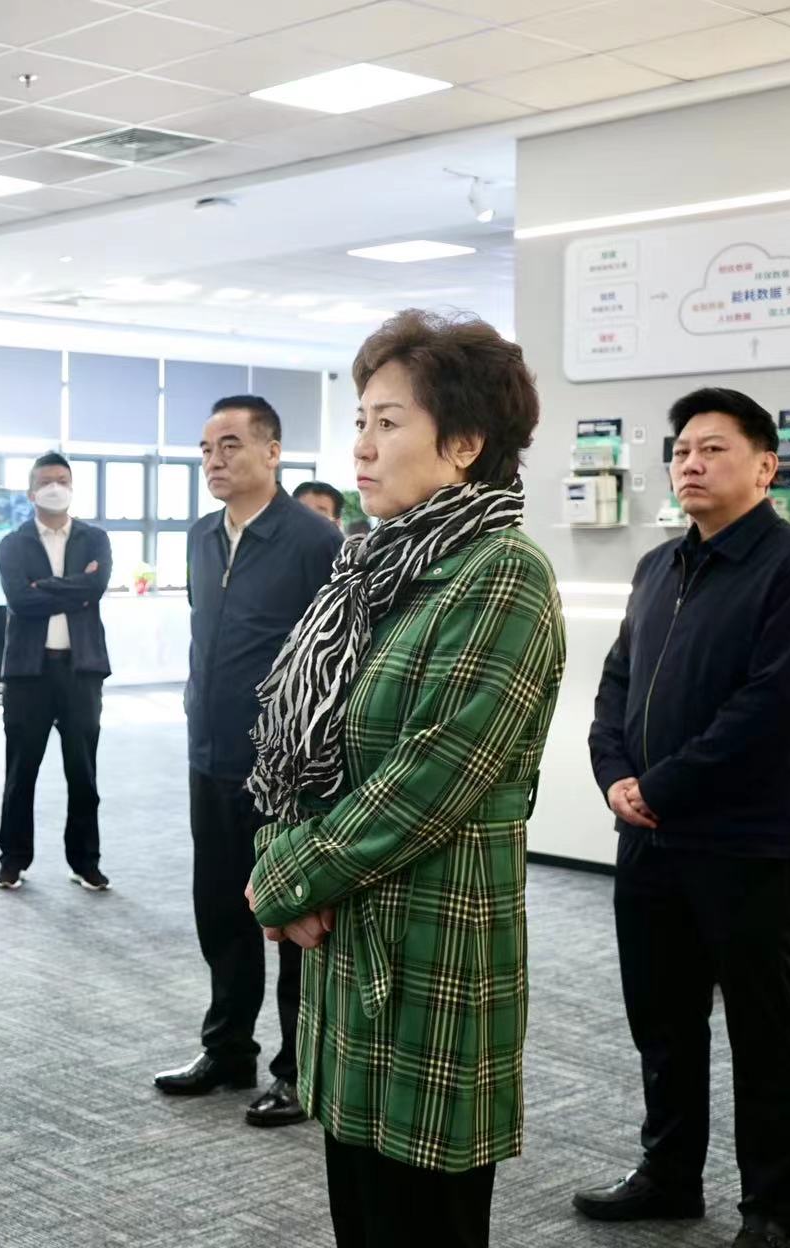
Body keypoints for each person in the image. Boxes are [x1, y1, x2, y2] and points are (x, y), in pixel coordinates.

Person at [245, 309, 563, 1248]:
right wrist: (280, 845)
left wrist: (284, 875)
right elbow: (305, 741)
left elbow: (429, 778)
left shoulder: (500, 572)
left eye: (388, 422)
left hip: (433, 940)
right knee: (359, 1203)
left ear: (464, 444)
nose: (361, 445)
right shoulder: (375, 567)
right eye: (359, 421)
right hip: (350, 934)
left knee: (422, 1214)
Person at [579, 388, 790, 1248]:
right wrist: (614, 776)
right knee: (661, 1021)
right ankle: (668, 1174)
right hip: (648, 837)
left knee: (763, 1032)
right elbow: (616, 685)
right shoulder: (657, 567)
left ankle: (771, 1208)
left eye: (712, 449)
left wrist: (661, 786)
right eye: (681, 451)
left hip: (747, 843)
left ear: (765, 467)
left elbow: (770, 708)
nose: (689, 464)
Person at [155, 395, 341, 1129]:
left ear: (272, 451)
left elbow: (337, 657)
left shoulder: (314, 540)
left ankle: (297, 1071)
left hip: (285, 770)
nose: (215, 460)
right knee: (220, 912)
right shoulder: (201, 536)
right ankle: (227, 1048)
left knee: (291, 920)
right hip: (209, 755)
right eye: (206, 449)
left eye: (230, 445)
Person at [0, 450, 113, 892]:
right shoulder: (13, 544)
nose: (55, 488)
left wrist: (44, 587)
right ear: (31, 492)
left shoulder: (94, 539)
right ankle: (12, 859)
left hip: (81, 670)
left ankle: (85, 861)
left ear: (72, 487)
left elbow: (96, 588)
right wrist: (75, 590)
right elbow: (20, 601)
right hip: (29, 673)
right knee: (20, 772)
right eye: (46, 481)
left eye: (62, 480)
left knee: (83, 774)